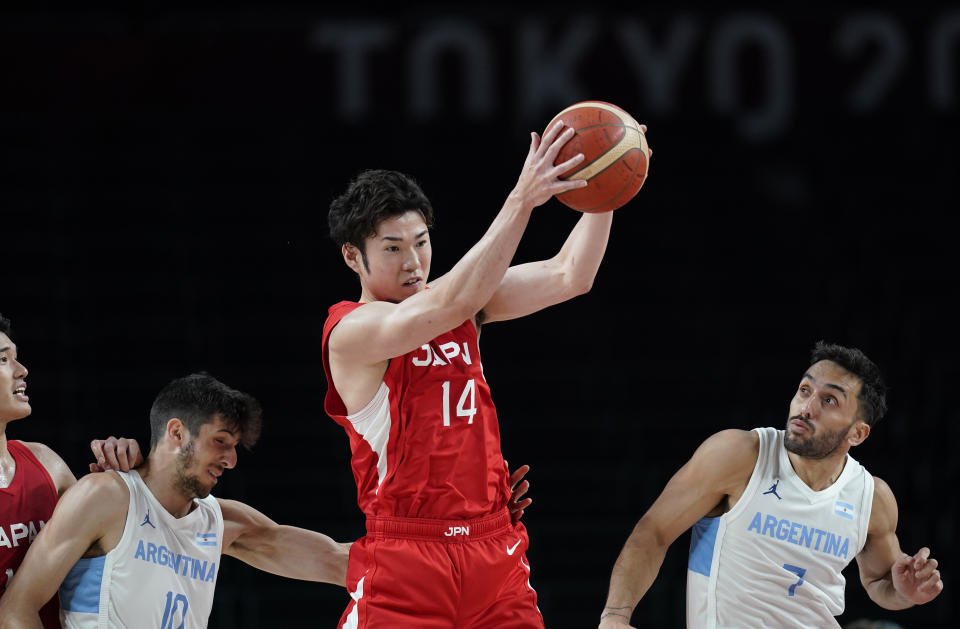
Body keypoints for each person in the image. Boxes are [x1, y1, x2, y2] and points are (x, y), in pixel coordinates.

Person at [323, 119, 647, 627]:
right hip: (407, 556)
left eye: (421, 242)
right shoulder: (351, 332)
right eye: (392, 248)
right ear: (352, 256)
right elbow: (457, 299)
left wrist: (605, 184)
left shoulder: (457, 306)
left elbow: (571, 274)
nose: (414, 262)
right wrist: (522, 198)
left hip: (493, 549)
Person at [597, 341, 944, 629]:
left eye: (829, 400)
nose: (806, 407)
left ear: (857, 432)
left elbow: (880, 581)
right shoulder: (740, 456)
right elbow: (654, 532)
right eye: (805, 390)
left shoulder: (872, 497)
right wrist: (615, 616)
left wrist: (906, 592)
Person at [0, 372, 351, 629]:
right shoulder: (107, 497)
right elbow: (15, 610)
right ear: (177, 433)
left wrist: (403, 551)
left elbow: (336, 560)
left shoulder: (221, 521)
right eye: (221, 442)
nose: (231, 460)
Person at [0, 313, 142, 628]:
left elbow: (125, 549)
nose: (22, 371)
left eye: (17, 359)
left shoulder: (47, 466)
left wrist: (124, 479)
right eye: (3, 360)